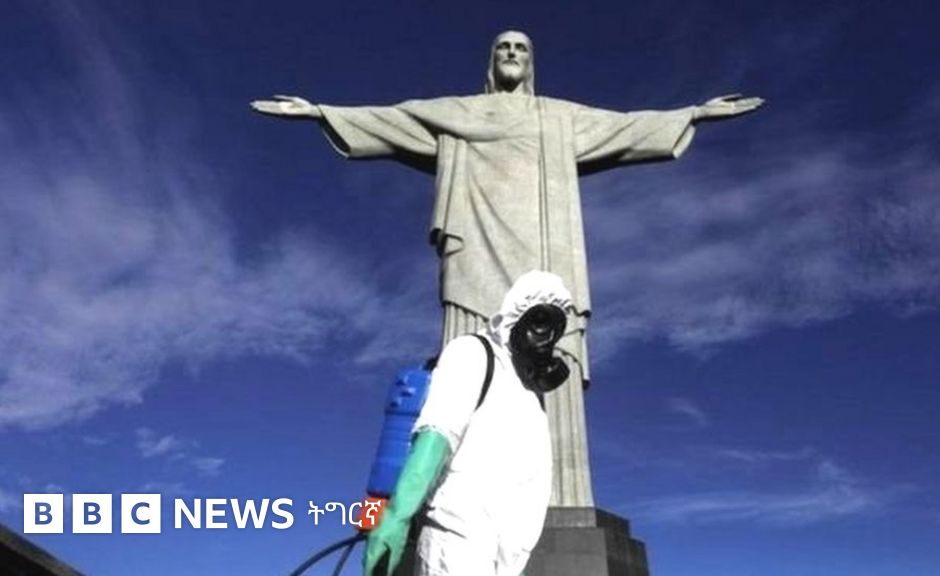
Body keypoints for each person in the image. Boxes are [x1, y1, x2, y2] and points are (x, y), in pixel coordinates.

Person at [252, 30, 763, 507]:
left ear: (531, 62)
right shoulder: (459, 112)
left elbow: (626, 126)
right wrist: (319, 112)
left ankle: (561, 499)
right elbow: (396, 120)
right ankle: (454, 495)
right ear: (491, 61)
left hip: (545, 252)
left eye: (521, 48)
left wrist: (694, 114)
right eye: (504, 48)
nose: (513, 54)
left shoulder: (558, 117)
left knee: (549, 352)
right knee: (466, 360)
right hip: (475, 248)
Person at [363, 270, 574, 576]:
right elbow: (437, 434)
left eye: (556, 327)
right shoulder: (471, 352)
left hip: (505, 556)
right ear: (517, 315)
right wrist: (397, 516)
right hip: (456, 539)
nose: (546, 336)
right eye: (540, 321)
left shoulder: (529, 392)